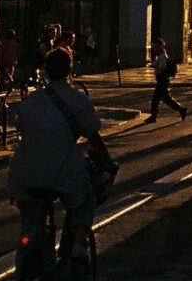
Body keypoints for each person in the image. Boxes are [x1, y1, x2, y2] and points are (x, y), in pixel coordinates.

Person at [8, 47, 117, 264]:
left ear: (46, 71)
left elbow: (18, 122)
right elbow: (93, 136)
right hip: (63, 170)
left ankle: (27, 276)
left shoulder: (30, 101)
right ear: (70, 70)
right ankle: (78, 242)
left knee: (30, 225)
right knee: (85, 198)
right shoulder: (77, 100)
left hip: (24, 173)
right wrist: (107, 162)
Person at [146, 39, 187, 123]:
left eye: (155, 47)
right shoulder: (160, 55)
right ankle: (181, 109)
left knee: (155, 99)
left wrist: (154, 66)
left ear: (160, 46)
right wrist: (153, 63)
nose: (153, 49)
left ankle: (153, 117)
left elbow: (163, 67)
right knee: (167, 99)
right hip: (163, 80)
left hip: (163, 80)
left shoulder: (162, 55)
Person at [0, 26, 19, 91]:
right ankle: (10, 85)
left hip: (5, 60)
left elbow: (1, 52)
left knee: (4, 74)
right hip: (12, 61)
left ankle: (4, 86)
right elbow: (15, 52)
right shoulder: (15, 43)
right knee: (11, 73)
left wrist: (0, 59)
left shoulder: (4, 42)